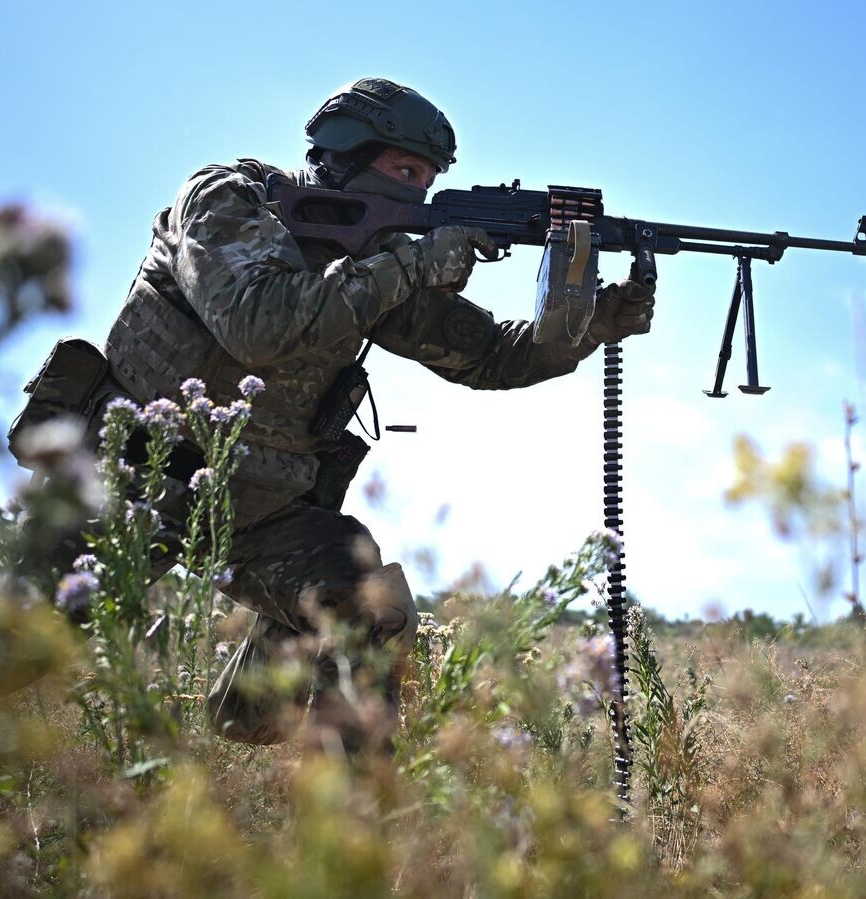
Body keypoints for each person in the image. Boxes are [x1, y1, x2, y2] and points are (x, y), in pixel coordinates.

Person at [48, 77, 655, 752]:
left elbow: (487, 356)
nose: (415, 193)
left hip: (261, 511)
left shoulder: (376, 261)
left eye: (425, 180)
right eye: (402, 171)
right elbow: (258, 322)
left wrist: (590, 325)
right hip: (131, 478)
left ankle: (349, 828)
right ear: (343, 156)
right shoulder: (227, 199)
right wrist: (413, 263)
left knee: (369, 608)